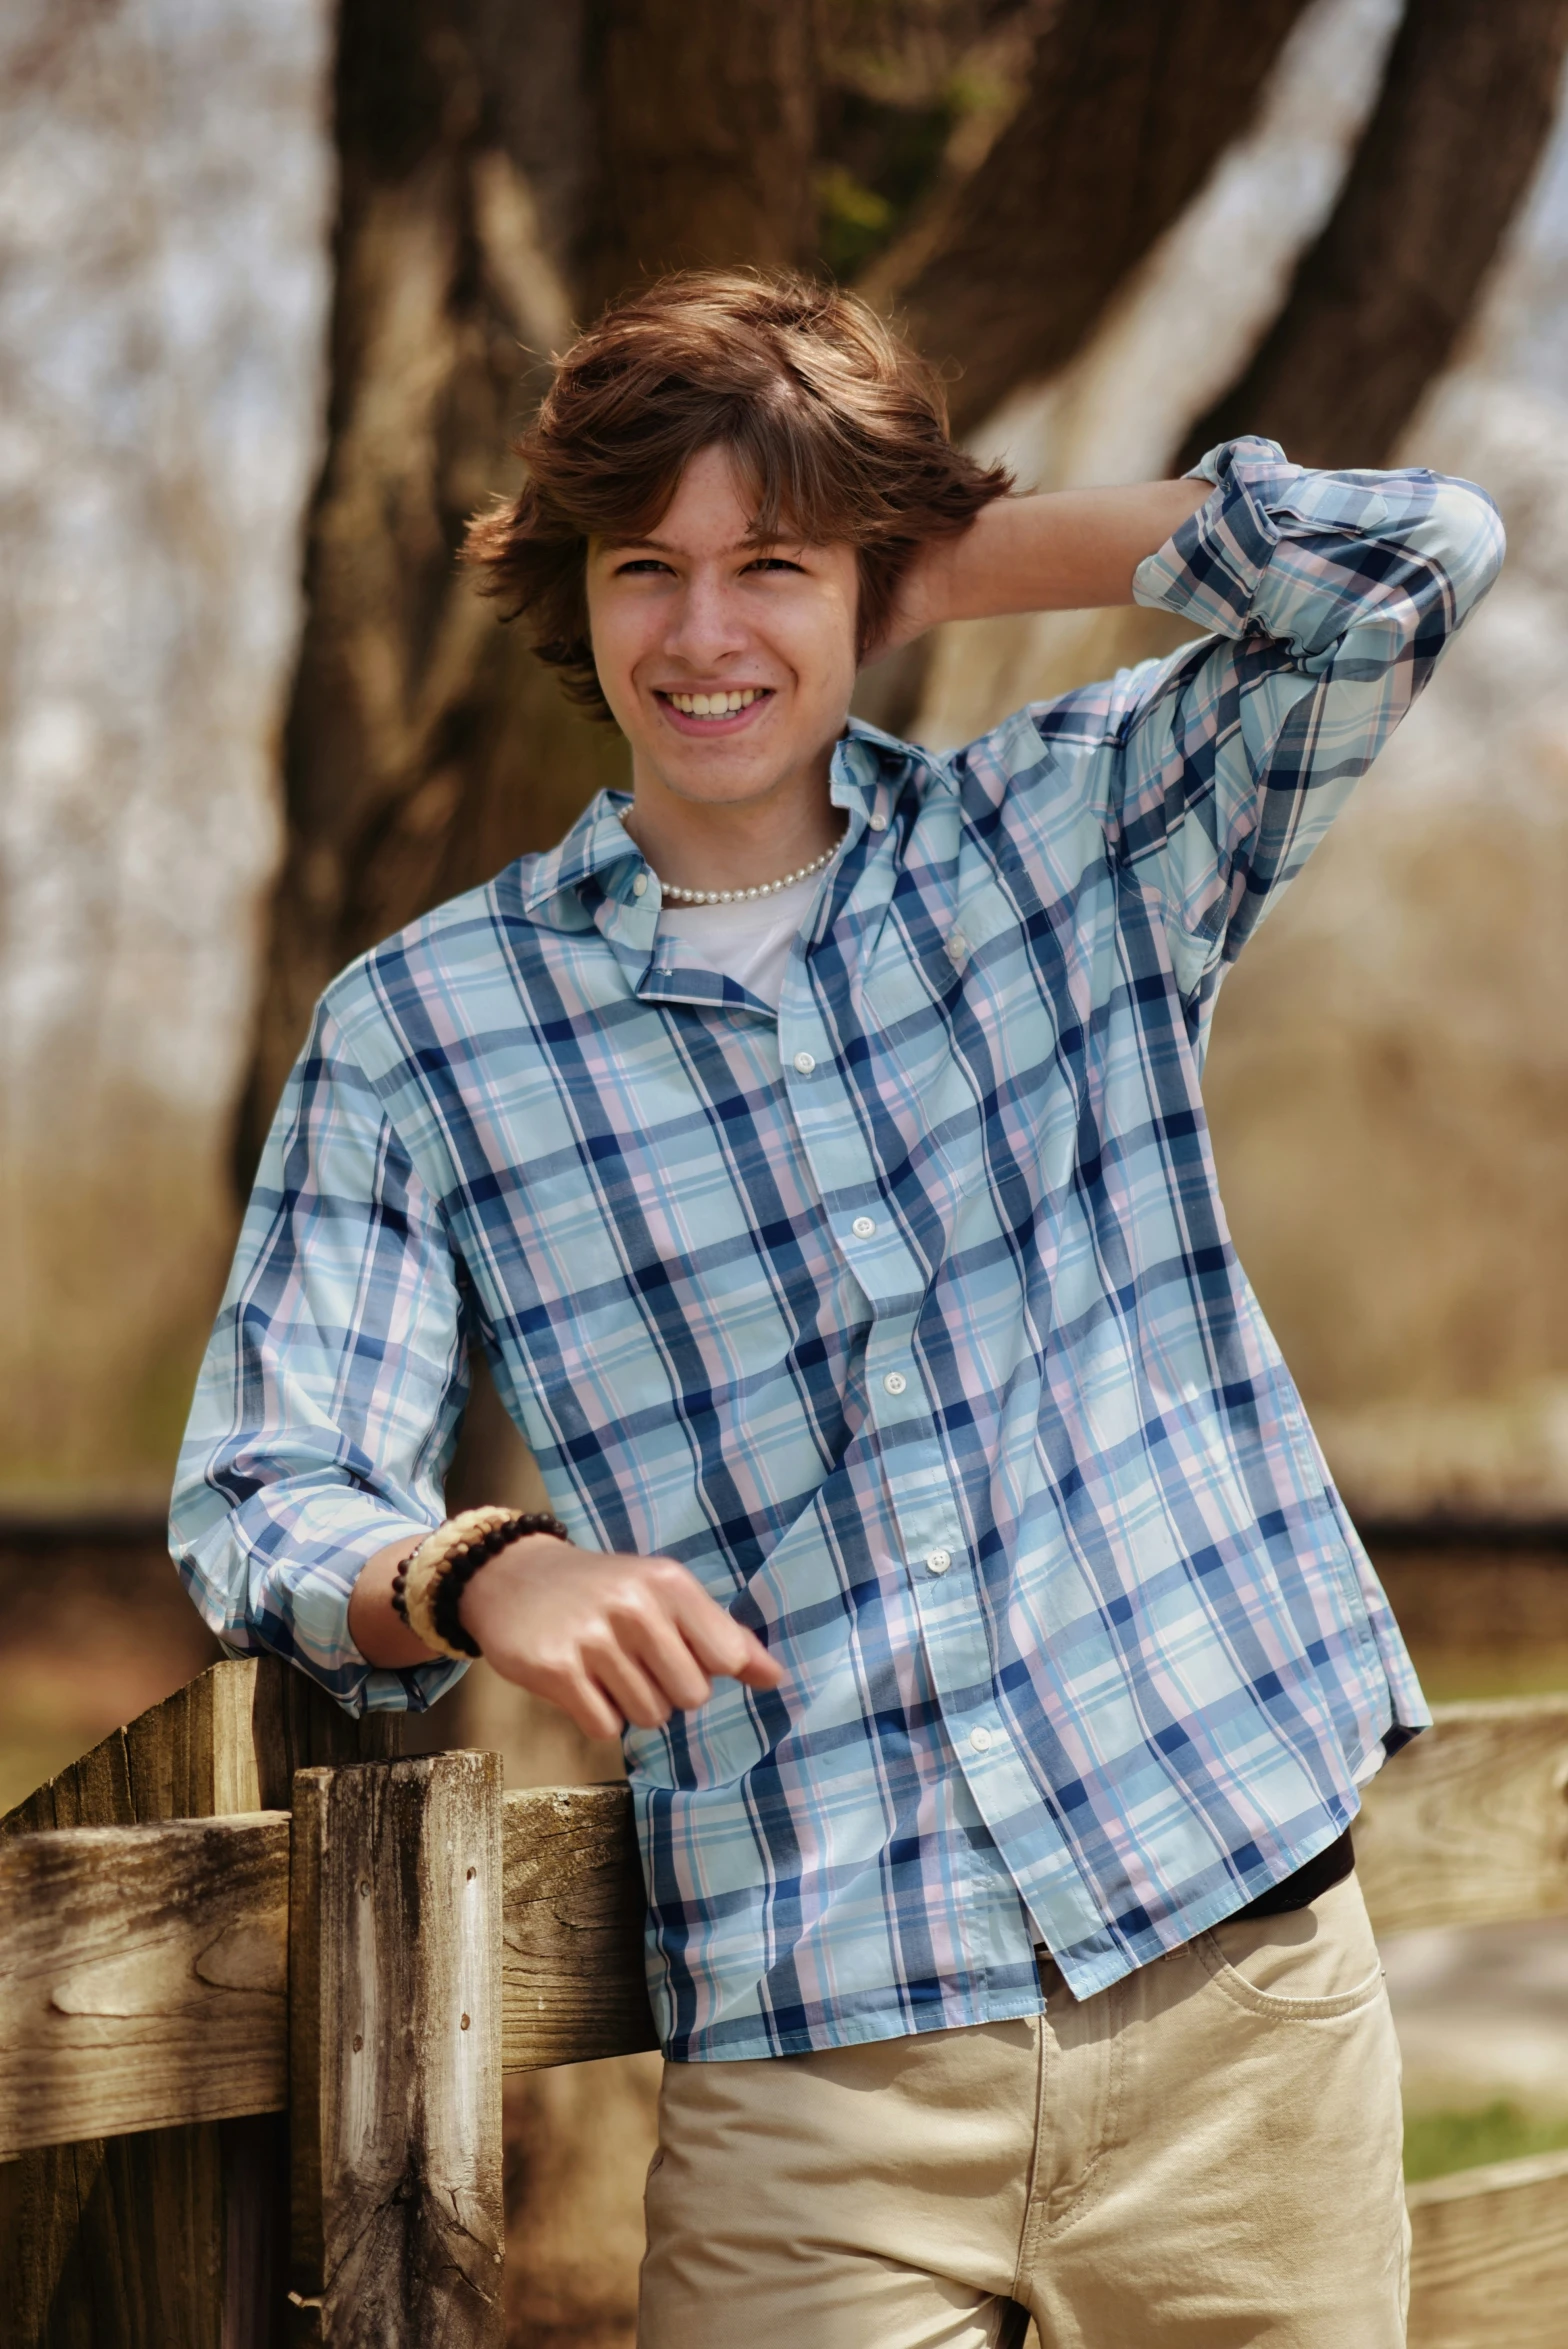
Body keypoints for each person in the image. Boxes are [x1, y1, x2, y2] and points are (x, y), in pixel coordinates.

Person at [171, 269, 1503, 2346]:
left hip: (1238, 2009)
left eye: (769, 566)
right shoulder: (424, 1033)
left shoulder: (1079, 840)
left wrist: (938, 555)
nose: (706, 636)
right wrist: (475, 1569)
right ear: (580, 599)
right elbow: (258, 1486)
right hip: (818, 2074)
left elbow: (1415, 556)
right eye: (650, 569)